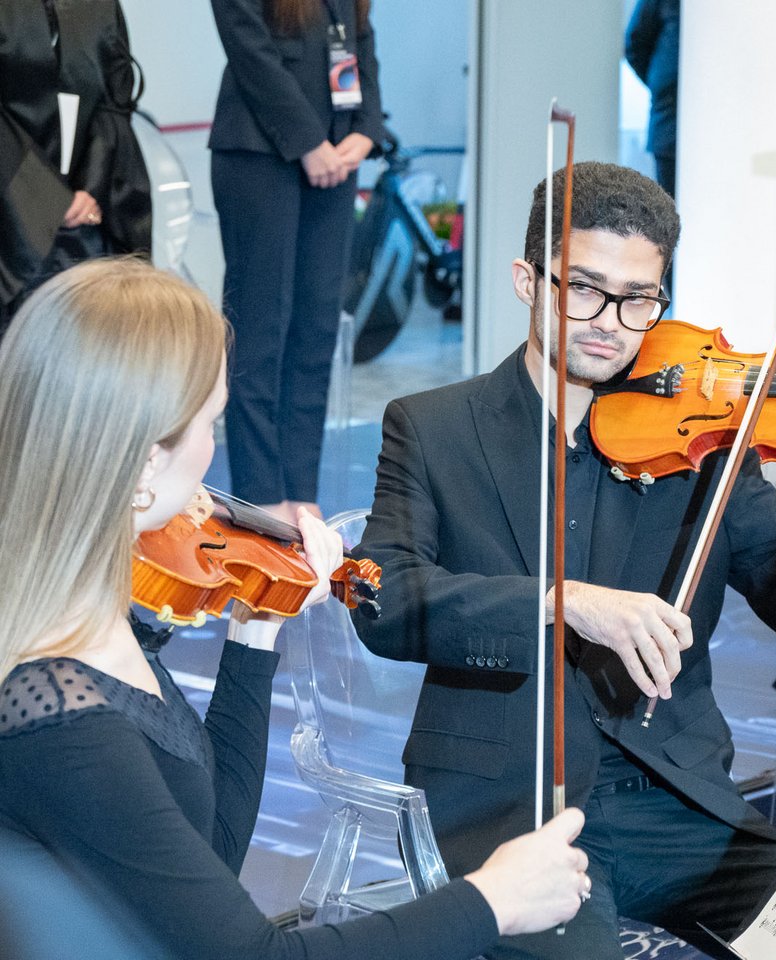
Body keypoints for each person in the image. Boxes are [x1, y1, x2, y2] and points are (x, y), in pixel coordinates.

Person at [353, 160, 776, 960]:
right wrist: (561, 600)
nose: (611, 321)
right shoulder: (432, 426)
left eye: (640, 298)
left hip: (677, 796)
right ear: (525, 279)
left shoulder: (707, 439)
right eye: (583, 288)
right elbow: (386, 603)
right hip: (508, 809)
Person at [0, 259, 590, 960]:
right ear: (145, 463)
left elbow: (209, 851)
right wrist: (492, 899)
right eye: (212, 423)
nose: (213, 469)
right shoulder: (64, 717)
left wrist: (255, 634)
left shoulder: (98, 625)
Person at [209, 0, 385, 522]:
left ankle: (300, 491)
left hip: (338, 157)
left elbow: (360, 42)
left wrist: (367, 129)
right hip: (260, 155)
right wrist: (308, 141)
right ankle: (261, 498)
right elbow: (248, 46)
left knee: (316, 329)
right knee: (260, 328)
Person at [0, 0, 151, 331]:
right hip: (10, 225)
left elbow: (113, 98)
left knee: (93, 342)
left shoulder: (99, 5)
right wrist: (49, 200)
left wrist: (89, 190)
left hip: (87, 222)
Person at [624, 0, 679, 201]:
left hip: (719, 129)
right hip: (669, 123)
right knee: (669, 214)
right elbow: (635, 44)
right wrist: (662, 85)